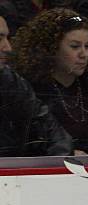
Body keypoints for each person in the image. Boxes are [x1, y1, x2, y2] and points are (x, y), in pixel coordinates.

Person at [11, 8, 88, 155]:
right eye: (75, 47)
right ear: (51, 49)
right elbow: (28, 145)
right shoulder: (29, 89)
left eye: (87, 46)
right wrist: (71, 153)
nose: (84, 54)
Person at [0, 14, 72, 157]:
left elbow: (53, 133)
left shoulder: (8, 80)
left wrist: (59, 167)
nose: (8, 48)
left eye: (7, 38)